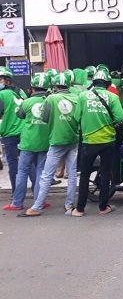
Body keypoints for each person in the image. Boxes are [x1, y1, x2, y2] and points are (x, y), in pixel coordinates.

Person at [22, 73, 80, 217]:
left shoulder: (51, 99)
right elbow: (79, 118)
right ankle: (69, 204)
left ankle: (37, 206)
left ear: (54, 86)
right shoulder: (76, 98)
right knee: (72, 174)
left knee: (46, 175)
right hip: (73, 139)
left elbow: (44, 117)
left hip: (57, 141)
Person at [73, 67, 123, 216]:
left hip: (88, 141)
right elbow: (120, 118)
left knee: (84, 175)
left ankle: (80, 209)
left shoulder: (83, 96)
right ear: (107, 83)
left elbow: (76, 117)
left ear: (94, 82)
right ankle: (103, 207)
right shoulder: (112, 97)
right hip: (108, 141)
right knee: (106, 173)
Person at [4, 74, 50, 211]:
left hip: (28, 142)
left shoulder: (27, 102)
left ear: (32, 88)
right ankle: (39, 202)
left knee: (22, 171)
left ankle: (17, 202)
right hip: (44, 142)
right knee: (41, 172)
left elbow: (20, 114)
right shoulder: (49, 101)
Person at [0, 66, 27, 195]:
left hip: (9, 133)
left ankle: (16, 193)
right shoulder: (20, 92)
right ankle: (36, 192)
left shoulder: (2, 94)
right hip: (24, 132)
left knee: (13, 164)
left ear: (7, 80)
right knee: (29, 163)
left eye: (0, 79)